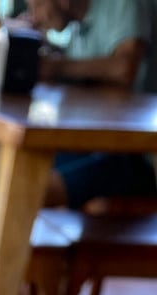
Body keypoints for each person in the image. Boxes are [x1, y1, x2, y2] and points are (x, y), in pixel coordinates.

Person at [26, 0, 157, 206]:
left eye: (38, 6)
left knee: (33, 190)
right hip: (98, 147)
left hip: (137, 156)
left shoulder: (124, 4)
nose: (34, 18)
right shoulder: (78, 28)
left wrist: (56, 67)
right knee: (30, 161)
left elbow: (124, 69)